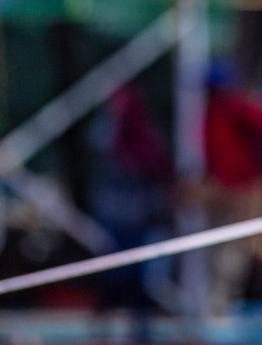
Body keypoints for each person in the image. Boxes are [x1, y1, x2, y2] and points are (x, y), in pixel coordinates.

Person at [88, 85, 173, 342]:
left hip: (139, 220)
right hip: (112, 219)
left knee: (139, 282)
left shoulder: (146, 138)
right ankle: (101, 334)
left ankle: (140, 335)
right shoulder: (105, 134)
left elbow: (160, 172)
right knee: (111, 280)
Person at [202, 59, 262, 312]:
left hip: (249, 189)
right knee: (230, 251)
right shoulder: (212, 111)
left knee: (259, 250)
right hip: (228, 190)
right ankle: (227, 305)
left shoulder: (238, 106)